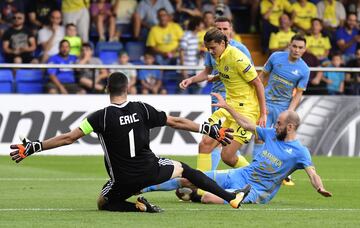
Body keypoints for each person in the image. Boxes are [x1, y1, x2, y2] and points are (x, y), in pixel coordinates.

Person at [9, 72, 250, 213]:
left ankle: (137, 207)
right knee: (186, 169)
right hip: (152, 171)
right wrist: (208, 129)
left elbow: (68, 138)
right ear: (128, 88)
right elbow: (175, 122)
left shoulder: (99, 117)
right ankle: (230, 197)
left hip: (123, 180)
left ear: (106, 89)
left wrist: (35, 146)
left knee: (103, 203)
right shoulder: (142, 109)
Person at [142, 93, 333, 204]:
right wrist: (227, 107)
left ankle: (193, 195)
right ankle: (143, 187)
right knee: (187, 178)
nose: (275, 126)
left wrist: (320, 187)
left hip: (257, 190)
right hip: (241, 174)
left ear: (290, 127)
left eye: (280, 124)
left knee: (209, 197)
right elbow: (246, 124)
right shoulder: (271, 134)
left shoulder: (300, 152)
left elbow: (312, 173)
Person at [180, 27, 267, 173]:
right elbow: (228, 72)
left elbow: (257, 82)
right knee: (205, 144)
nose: (210, 52)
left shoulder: (237, 57)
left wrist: (263, 113)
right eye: (208, 48)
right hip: (228, 107)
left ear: (222, 43)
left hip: (245, 111)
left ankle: (255, 177)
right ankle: (201, 187)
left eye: (213, 48)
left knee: (227, 156)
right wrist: (208, 78)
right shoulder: (218, 56)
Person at [254, 34, 310, 186]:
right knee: (259, 136)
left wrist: (289, 112)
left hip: (282, 107)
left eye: (300, 48)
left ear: (305, 50)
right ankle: (256, 168)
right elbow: (262, 77)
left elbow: (298, 93)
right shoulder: (276, 57)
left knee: (282, 139)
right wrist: (256, 97)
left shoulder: (304, 70)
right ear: (289, 45)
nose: (296, 50)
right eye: (294, 46)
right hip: (265, 103)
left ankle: (284, 173)